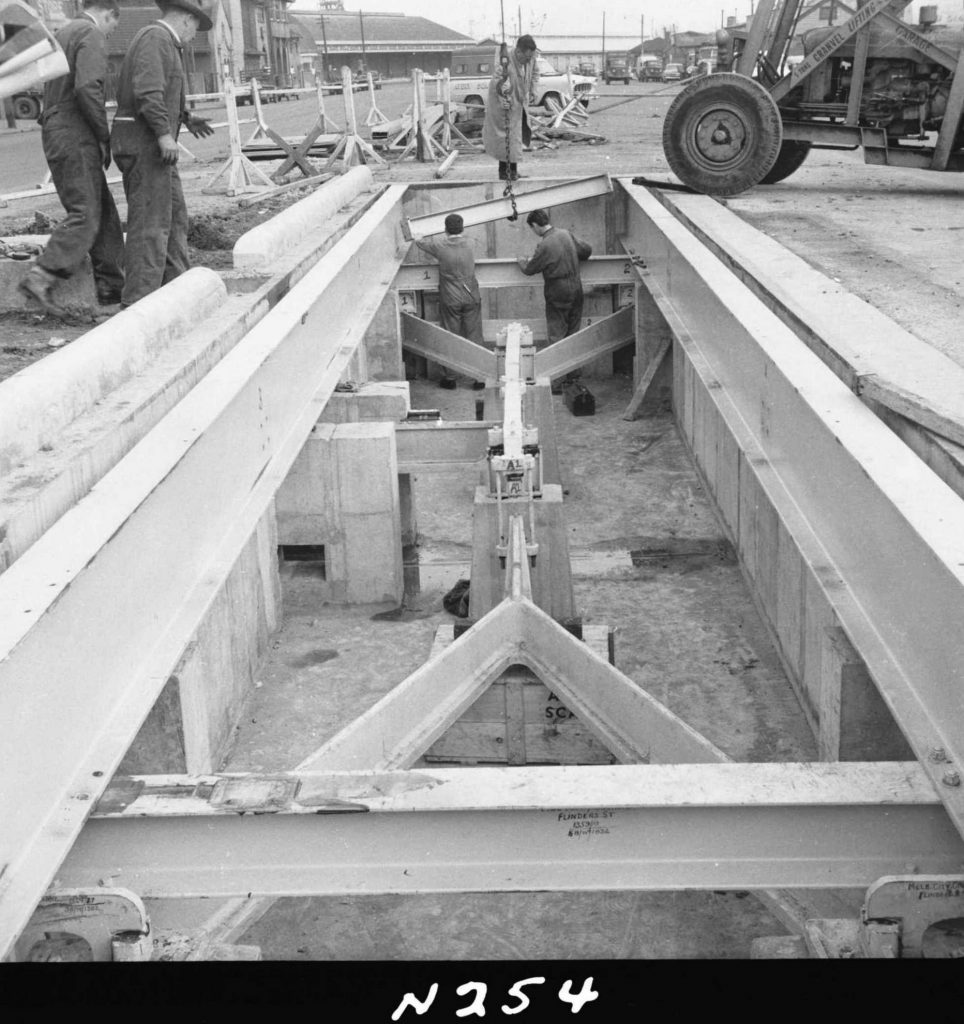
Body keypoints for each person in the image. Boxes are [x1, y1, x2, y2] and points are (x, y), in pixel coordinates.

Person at [18, 0, 124, 316]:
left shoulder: (64, 32)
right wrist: (104, 136)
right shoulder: (89, 33)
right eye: (113, 26)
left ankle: (111, 289)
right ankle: (41, 275)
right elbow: (88, 87)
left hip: (60, 128)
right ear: (109, 14)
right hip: (74, 131)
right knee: (86, 211)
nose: (110, 32)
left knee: (103, 212)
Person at [109, 0, 215, 308]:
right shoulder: (156, 39)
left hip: (154, 147)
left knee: (174, 216)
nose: (196, 34)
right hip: (145, 146)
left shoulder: (166, 42)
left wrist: (184, 116)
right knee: (150, 222)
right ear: (185, 19)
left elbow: (161, 92)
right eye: (196, 26)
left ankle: (176, 289)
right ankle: (138, 303)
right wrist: (164, 134)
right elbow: (147, 92)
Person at [517, 208, 592, 344]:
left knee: (556, 336)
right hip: (576, 288)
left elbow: (529, 269)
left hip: (558, 293)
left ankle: (558, 364)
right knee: (573, 335)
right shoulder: (566, 234)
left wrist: (521, 261)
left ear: (534, 225)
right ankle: (574, 365)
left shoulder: (544, 245)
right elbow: (586, 251)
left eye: (532, 229)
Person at [414, 213, 483, 344]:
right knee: (475, 336)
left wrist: (418, 238)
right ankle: (478, 361)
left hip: (451, 298)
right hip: (472, 296)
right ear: (462, 229)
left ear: (445, 229)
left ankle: (451, 364)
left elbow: (421, 243)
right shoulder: (471, 243)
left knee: (451, 339)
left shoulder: (439, 246)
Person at [483, 34, 539, 182]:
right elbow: (497, 82)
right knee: (506, 138)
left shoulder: (530, 57)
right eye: (526, 57)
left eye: (530, 58)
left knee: (515, 138)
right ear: (518, 52)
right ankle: (505, 173)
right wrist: (502, 99)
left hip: (519, 103)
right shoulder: (504, 61)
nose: (529, 60)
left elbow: (535, 73)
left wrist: (533, 89)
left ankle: (513, 170)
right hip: (506, 104)